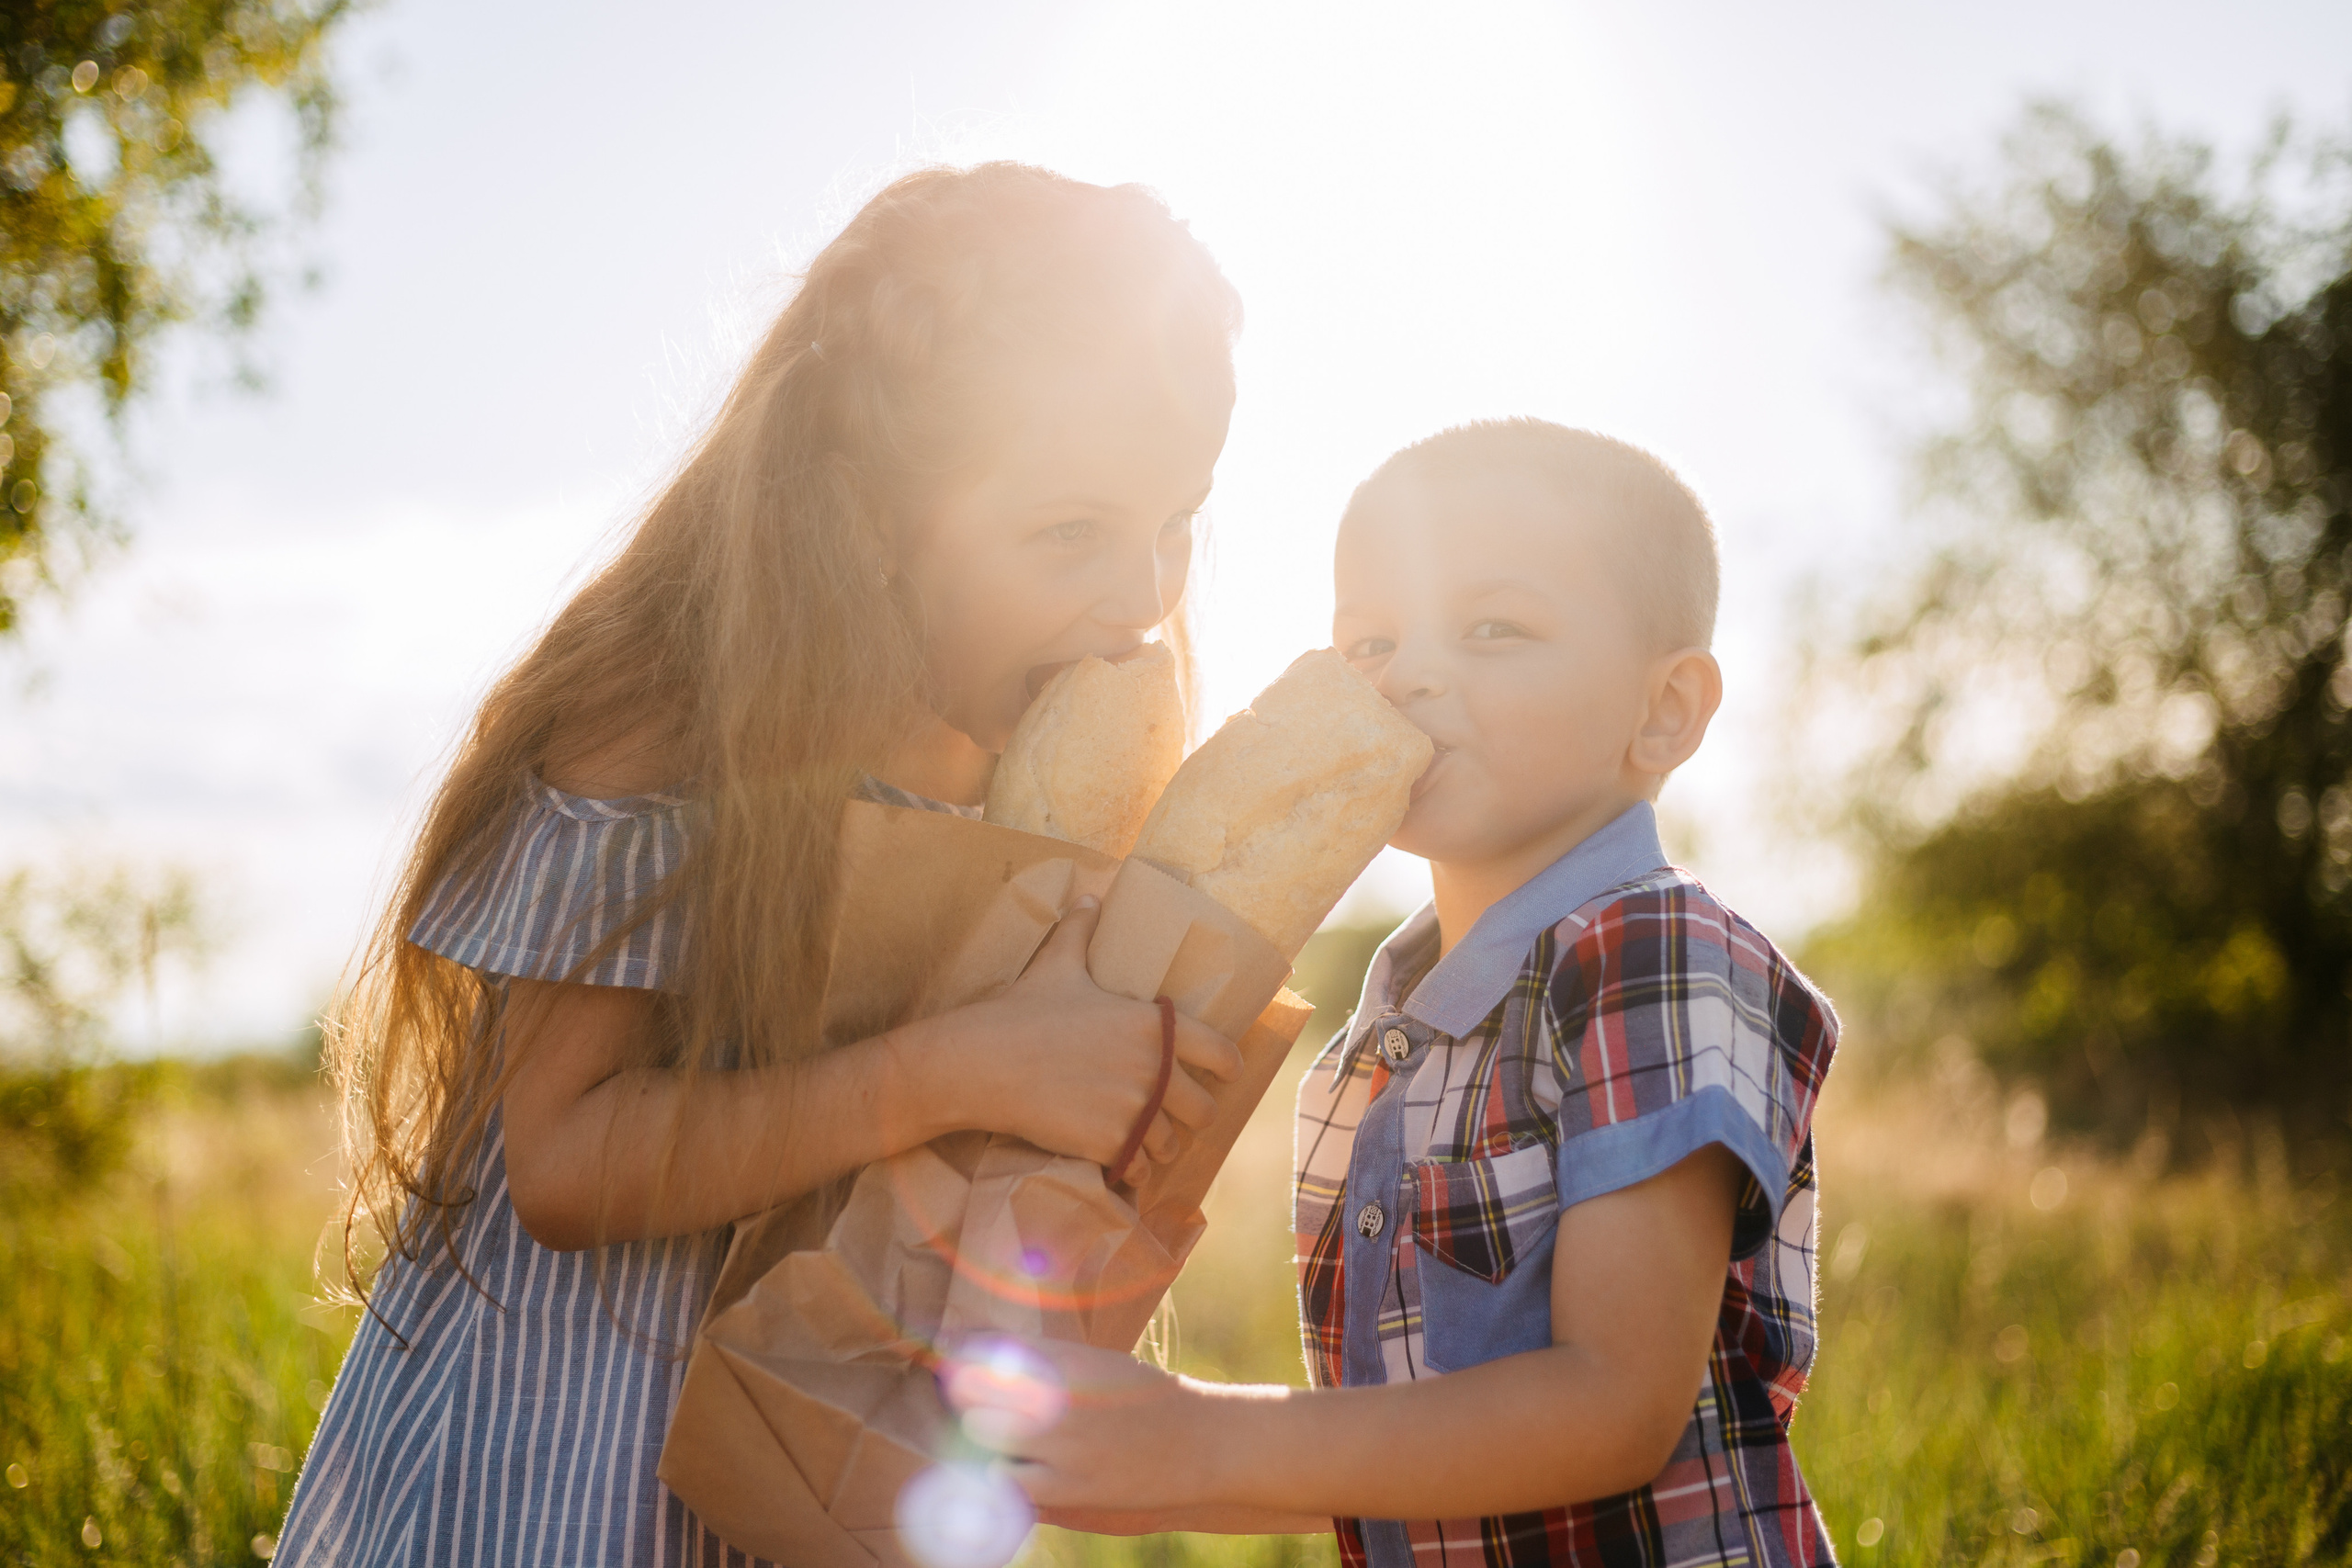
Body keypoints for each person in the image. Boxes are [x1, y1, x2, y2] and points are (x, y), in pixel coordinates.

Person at [275, 163, 1248, 1566]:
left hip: (803, 1459)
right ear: (866, 512)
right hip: (562, 1465)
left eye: (1177, 521)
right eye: (1070, 532)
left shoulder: (1003, 751)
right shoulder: (667, 715)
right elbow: (560, 1161)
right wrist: (962, 1066)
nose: (1146, 594)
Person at [974, 421, 1841, 1566]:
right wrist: (1133, 1466)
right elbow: (1401, 1450)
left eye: (1494, 628)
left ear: (1664, 711)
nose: (1413, 673)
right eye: (1371, 639)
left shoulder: (1649, 951)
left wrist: (1203, 1440)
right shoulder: (1379, 1037)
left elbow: (1616, 1405)